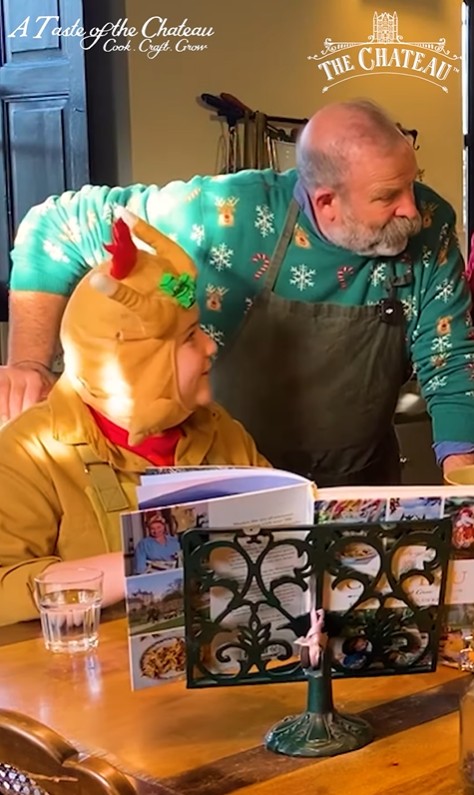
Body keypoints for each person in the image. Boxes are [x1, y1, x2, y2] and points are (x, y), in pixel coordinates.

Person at [3, 98, 474, 484]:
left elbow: (450, 358)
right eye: (388, 197)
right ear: (326, 202)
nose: (411, 209)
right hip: (234, 481)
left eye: (413, 183)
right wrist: (28, 366)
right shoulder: (225, 215)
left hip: (360, 485)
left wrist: (463, 481)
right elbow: (54, 227)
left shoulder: (428, 224)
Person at [0, 213, 268, 626]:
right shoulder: (28, 454)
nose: (211, 347)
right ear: (138, 360)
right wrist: (135, 570)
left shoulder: (222, 431)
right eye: (189, 336)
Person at [133, 510, 180, 574]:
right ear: (149, 529)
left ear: (164, 526)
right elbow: (140, 569)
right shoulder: (143, 544)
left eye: (159, 527)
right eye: (152, 528)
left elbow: (181, 561)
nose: (156, 531)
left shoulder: (174, 541)